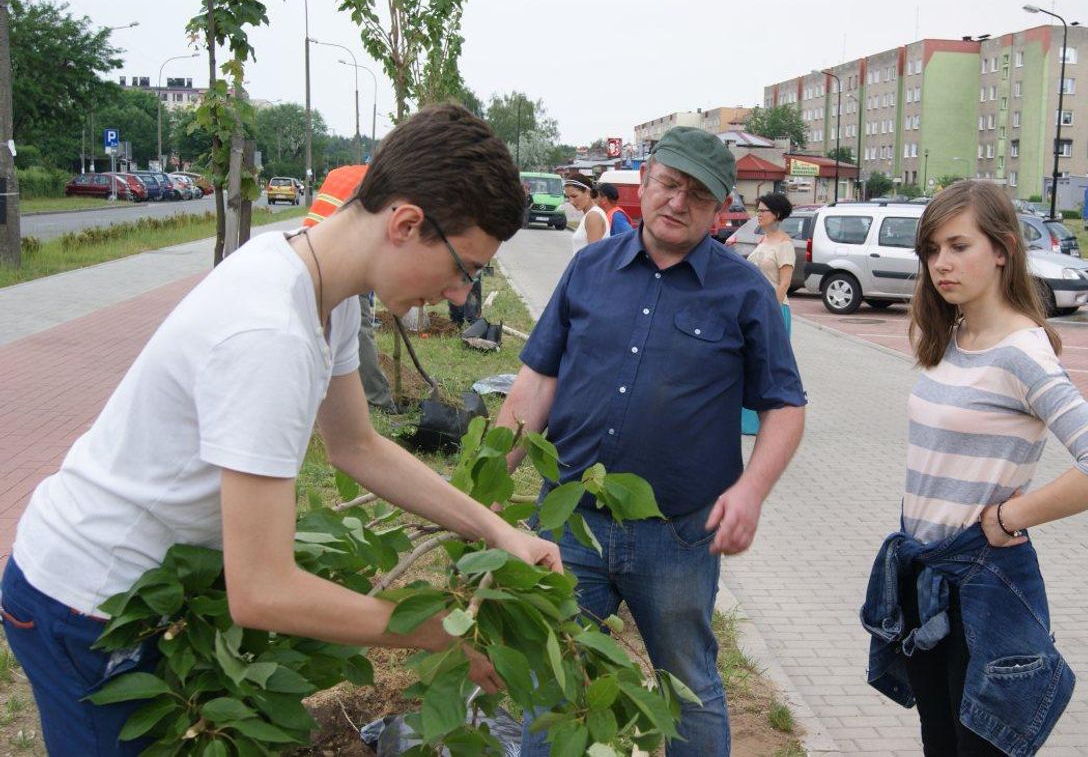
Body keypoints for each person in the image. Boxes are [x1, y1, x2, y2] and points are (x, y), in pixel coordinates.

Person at [1, 104, 562, 757]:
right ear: (407, 223)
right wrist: (434, 630)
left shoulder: (319, 280)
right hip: (81, 601)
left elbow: (356, 446)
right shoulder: (269, 334)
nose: (460, 295)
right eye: (465, 269)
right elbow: (262, 590)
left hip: (139, 593)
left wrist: (498, 530)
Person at [497, 126, 807, 756]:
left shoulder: (743, 290)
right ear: (645, 184)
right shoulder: (588, 268)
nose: (677, 202)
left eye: (697, 194)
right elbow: (535, 384)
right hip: (570, 524)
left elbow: (785, 407)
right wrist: (484, 486)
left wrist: (751, 491)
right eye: (668, 184)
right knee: (551, 674)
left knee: (686, 684)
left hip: (678, 533)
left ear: (720, 209)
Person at [861, 180, 1088, 756]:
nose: (941, 264)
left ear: (1003, 249)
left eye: (959, 246)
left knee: (979, 746)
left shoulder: (1020, 351)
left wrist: (1010, 516)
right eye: (932, 250)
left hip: (982, 586)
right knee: (941, 742)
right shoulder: (956, 336)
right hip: (925, 576)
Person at [304, 164, 400, 413]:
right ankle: (378, 398)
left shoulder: (343, 172)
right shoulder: (386, 181)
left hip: (310, 246)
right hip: (338, 258)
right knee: (359, 327)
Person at [741, 192, 795, 435]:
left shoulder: (784, 245)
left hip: (774, 311)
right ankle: (747, 421)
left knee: (769, 367)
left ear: (778, 214)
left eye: (764, 210)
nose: (759, 214)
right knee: (751, 364)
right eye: (758, 210)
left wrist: (770, 314)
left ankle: (771, 421)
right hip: (756, 310)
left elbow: (784, 284)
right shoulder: (764, 241)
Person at [564, 175, 608, 252]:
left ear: (587, 191)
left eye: (574, 196)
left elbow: (593, 256)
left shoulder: (593, 216)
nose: (571, 202)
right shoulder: (590, 214)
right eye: (568, 197)